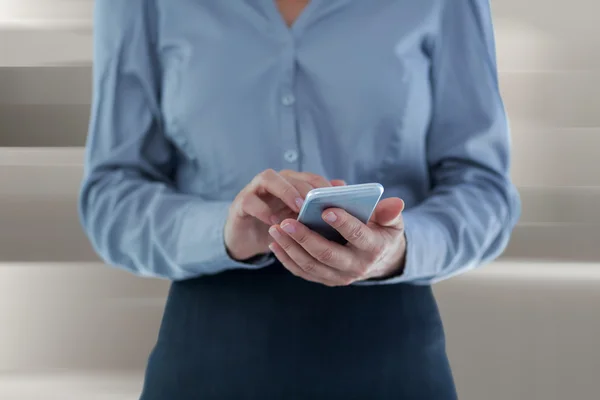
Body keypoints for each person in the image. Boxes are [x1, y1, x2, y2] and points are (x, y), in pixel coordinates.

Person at [79, 0, 520, 398]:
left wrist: (398, 250)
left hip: (391, 359)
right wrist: (221, 231)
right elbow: (111, 195)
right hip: (208, 360)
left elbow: (484, 189)